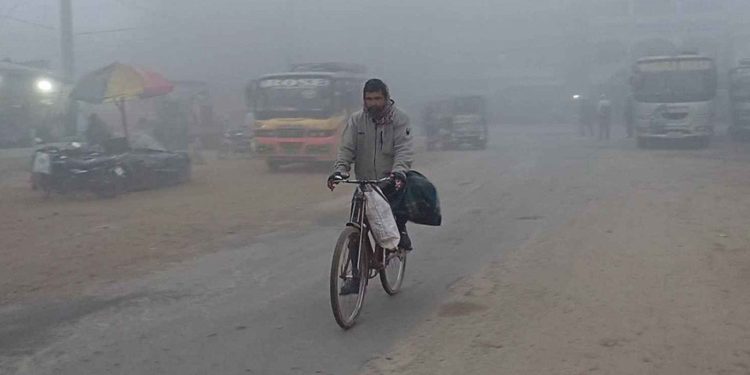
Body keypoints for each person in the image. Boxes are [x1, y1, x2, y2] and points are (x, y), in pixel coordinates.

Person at [327, 78, 414, 295]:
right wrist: (340, 170)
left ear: (386, 97)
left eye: (377, 98)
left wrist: (399, 172)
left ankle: (399, 234)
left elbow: (403, 149)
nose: (373, 103)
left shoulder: (400, 119)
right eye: (368, 99)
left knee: (394, 215)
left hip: (389, 180)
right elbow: (346, 149)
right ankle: (357, 276)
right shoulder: (356, 121)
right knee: (356, 226)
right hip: (365, 182)